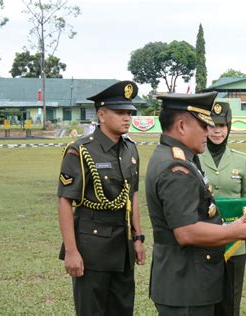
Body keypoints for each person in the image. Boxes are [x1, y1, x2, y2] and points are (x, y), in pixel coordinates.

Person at [145, 92, 246, 315]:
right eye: (203, 125)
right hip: (186, 283)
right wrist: (244, 230)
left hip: (187, 280)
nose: (209, 132)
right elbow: (186, 232)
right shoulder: (176, 168)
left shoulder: (175, 157)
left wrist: (232, 227)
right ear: (181, 126)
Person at [57, 80, 145, 315]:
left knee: (123, 309)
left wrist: (138, 237)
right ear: (102, 115)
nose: (127, 118)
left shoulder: (130, 149)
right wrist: (71, 251)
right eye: (120, 112)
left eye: (129, 113)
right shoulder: (81, 150)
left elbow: (132, 195)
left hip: (123, 247)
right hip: (91, 249)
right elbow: (65, 200)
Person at [199, 102, 246, 315]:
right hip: (203, 238)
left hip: (235, 243)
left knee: (230, 304)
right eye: (212, 125)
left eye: (222, 125)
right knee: (203, 301)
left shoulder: (242, 160)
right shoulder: (194, 157)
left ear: (229, 127)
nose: (217, 130)